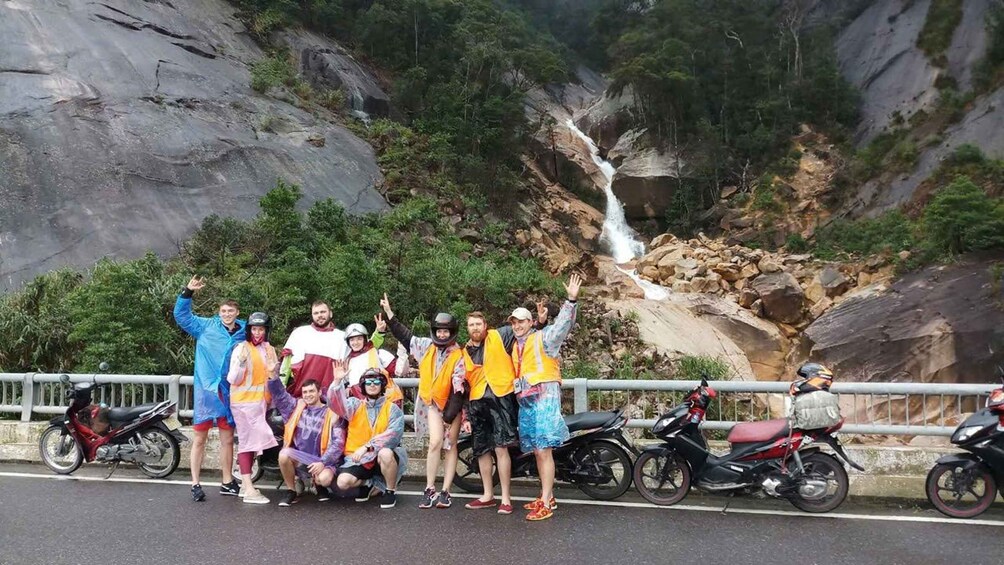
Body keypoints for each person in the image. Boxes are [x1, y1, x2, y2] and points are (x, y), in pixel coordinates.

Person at [461, 303, 547, 515]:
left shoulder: (500, 335)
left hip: (501, 399)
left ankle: (506, 498)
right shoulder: (464, 351)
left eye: (478, 324)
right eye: (471, 325)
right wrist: (466, 415)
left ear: (485, 325)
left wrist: (541, 321)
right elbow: (464, 385)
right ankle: (487, 495)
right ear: (467, 328)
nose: (475, 328)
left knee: (501, 448)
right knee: (481, 449)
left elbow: (524, 331)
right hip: (477, 402)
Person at [381, 293, 466, 509]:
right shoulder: (426, 347)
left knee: (451, 445)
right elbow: (406, 336)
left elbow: (459, 388)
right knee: (435, 442)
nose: (442, 334)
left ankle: (446, 491)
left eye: (446, 331)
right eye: (439, 331)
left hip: (452, 406)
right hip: (432, 403)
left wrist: (450, 416)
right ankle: (429, 488)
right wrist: (390, 314)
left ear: (452, 332)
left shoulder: (459, 355)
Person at [511, 273, 582, 521]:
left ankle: (546, 502)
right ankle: (546, 496)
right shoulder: (517, 346)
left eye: (521, 321)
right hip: (527, 402)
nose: (517, 326)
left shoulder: (544, 339)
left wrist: (570, 301)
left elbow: (562, 327)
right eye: (514, 322)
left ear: (530, 322)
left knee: (543, 450)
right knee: (538, 451)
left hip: (544, 400)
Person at [173, 275, 245, 502]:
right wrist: (187, 292)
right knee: (200, 439)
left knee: (227, 439)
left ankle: (227, 481)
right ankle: (195, 483)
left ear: (237, 312)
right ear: (218, 312)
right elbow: (182, 316)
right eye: (223, 311)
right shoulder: (206, 326)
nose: (227, 314)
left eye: (230, 311)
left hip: (229, 391)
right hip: (205, 391)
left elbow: (261, 337)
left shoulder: (244, 330)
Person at [328, 360, 406, 509]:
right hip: (358, 459)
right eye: (368, 382)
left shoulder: (392, 409)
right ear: (363, 386)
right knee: (343, 482)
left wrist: (367, 447)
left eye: (376, 381)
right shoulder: (355, 405)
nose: (372, 385)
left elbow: (393, 435)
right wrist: (337, 382)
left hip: (380, 457)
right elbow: (336, 406)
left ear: (382, 385)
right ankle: (369, 483)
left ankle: (390, 490)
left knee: (385, 453)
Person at [267, 373, 345, 507]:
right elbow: (280, 395)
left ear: (319, 392)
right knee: (284, 454)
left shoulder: (332, 412)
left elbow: (339, 443)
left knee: (324, 479)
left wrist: (323, 462)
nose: (308, 395)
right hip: (301, 458)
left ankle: (318, 485)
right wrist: (273, 376)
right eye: (305, 392)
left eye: (311, 391)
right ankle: (291, 491)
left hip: (323, 459)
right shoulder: (295, 408)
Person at [225, 312, 278, 504]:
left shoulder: (269, 349)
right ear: (249, 330)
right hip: (244, 403)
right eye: (254, 329)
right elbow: (233, 379)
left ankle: (245, 485)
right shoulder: (241, 348)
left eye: (261, 329)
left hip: (262, 403)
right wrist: (240, 364)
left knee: (253, 443)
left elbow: (274, 376)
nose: (257, 333)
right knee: (249, 443)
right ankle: (248, 488)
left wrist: (274, 371)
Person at [281, 301, 348, 397]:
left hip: (330, 397)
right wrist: (281, 387)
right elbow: (285, 365)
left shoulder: (342, 337)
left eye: (323, 312)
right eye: (316, 313)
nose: (319, 315)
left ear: (330, 313)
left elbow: (356, 358)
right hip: (301, 396)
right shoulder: (300, 333)